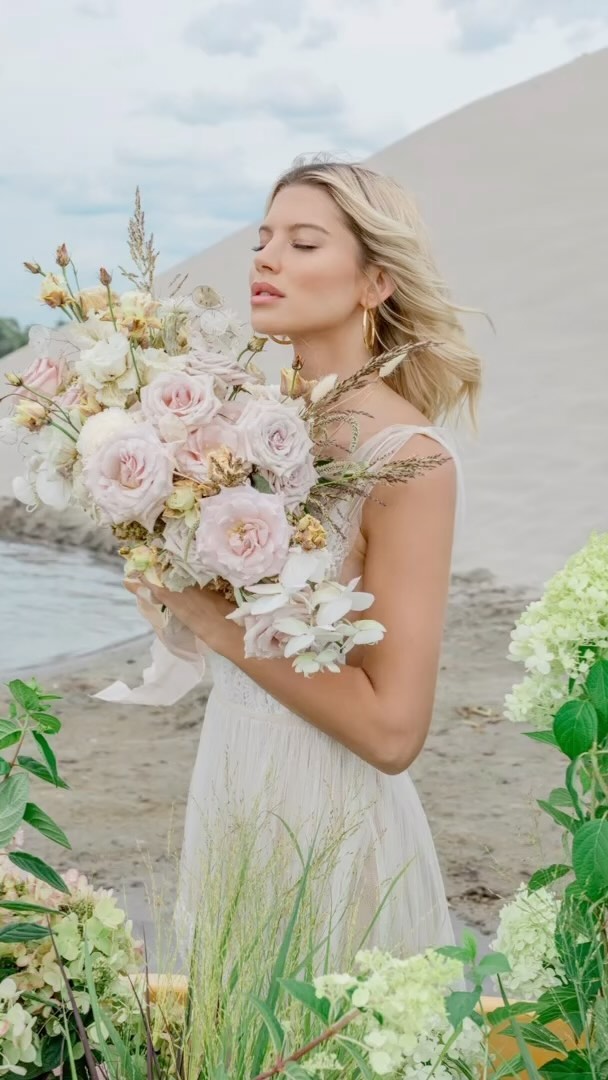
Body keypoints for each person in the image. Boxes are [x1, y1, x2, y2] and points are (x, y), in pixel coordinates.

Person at [124, 159, 482, 959]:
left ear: (374, 283)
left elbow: (394, 731)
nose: (265, 258)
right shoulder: (237, 432)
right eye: (262, 239)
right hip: (232, 783)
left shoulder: (409, 458)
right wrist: (166, 574)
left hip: (332, 816)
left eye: (303, 241)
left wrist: (217, 624)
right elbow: (228, 619)